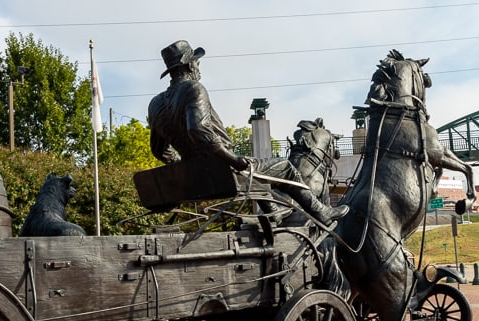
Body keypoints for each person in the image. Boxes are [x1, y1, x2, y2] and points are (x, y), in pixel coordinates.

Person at [148, 40, 348, 226]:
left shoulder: (155, 104)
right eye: (196, 63)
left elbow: (159, 150)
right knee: (285, 167)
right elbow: (197, 129)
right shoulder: (194, 89)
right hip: (223, 169)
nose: (198, 68)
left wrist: (181, 165)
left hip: (201, 173)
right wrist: (232, 159)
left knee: (262, 173)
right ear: (190, 66)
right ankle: (321, 211)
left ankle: (274, 213)